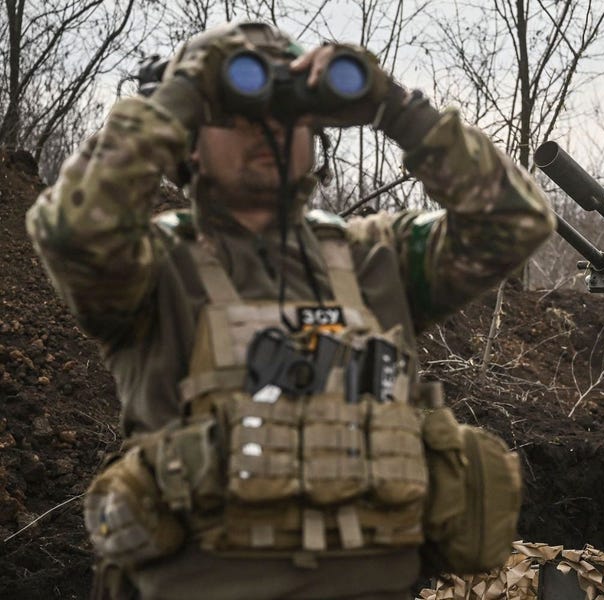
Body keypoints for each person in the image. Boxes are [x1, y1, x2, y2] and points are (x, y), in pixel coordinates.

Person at [26, 21, 554, 600]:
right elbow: (72, 231)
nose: (265, 128)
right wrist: (182, 92)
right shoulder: (151, 269)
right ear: (188, 139)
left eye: (287, 112)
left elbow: (515, 218)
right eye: (234, 112)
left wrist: (394, 107)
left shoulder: (377, 261)